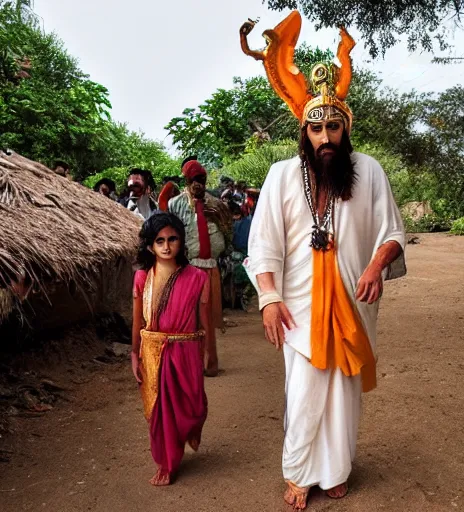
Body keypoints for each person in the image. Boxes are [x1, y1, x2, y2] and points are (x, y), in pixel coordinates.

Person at [241, 12, 406, 510]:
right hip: (298, 306)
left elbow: (393, 232)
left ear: (345, 128)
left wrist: (376, 267)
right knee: (306, 391)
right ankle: (298, 472)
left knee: (344, 394)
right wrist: (269, 299)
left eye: (334, 126)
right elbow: (263, 244)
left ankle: (335, 470)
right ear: (304, 132)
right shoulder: (280, 175)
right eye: (316, 128)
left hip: (353, 302)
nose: (326, 137)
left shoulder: (369, 172)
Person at [131, 212, 209, 486]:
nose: (166, 246)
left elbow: (203, 320)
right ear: (150, 245)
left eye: (172, 239)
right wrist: (133, 353)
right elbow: (137, 318)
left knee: (193, 406)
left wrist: (206, 351)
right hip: (153, 351)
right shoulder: (142, 277)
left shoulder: (198, 277)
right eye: (159, 240)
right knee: (161, 413)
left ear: (181, 241)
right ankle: (167, 463)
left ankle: (192, 427)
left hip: (186, 350)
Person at [168, 158, 232, 377]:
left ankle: (209, 364)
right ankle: (189, 364)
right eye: (194, 179)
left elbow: (228, 233)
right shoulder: (175, 204)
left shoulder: (215, 203)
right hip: (189, 268)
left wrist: (217, 217)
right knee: (189, 317)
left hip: (211, 267)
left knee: (207, 315)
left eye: (201, 179)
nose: (198, 183)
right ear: (186, 180)